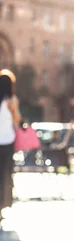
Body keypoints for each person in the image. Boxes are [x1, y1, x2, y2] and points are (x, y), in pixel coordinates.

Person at [0, 69, 21, 222]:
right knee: (5, 174)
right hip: (7, 141)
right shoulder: (11, 101)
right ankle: (2, 206)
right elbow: (17, 121)